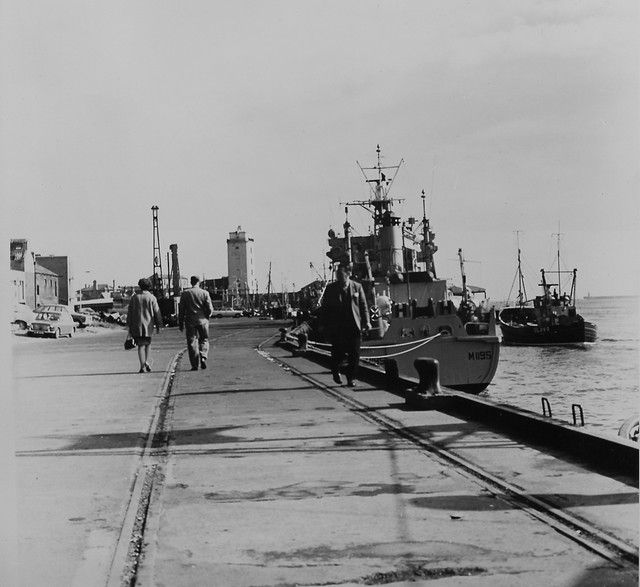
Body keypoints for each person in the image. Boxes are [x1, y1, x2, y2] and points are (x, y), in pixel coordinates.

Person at [320, 261, 371, 386]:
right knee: (338, 353)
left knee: (355, 353)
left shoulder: (357, 287)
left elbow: (363, 306)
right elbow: (325, 308)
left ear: (348, 274)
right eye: (337, 275)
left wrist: (367, 322)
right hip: (338, 327)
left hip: (354, 325)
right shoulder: (331, 288)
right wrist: (323, 324)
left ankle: (351, 378)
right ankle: (335, 370)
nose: (338, 277)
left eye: (341, 275)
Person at [126, 278, 163, 373]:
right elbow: (157, 313)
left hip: (137, 325)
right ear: (149, 287)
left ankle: (142, 366)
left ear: (140, 286)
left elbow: (129, 312)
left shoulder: (134, 298)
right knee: (148, 345)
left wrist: (129, 325)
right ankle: (146, 362)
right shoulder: (152, 298)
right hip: (148, 325)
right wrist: (159, 325)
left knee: (140, 346)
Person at [178, 275, 214, 371]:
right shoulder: (205, 293)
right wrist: (207, 316)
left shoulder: (185, 293)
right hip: (203, 321)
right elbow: (210, 308)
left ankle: (194, 365)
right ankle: (203, 356)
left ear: (191, 282)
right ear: (199, 282)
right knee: (204, 340)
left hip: (190, 321)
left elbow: (181, 310)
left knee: (192, 342)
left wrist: (180, 323)